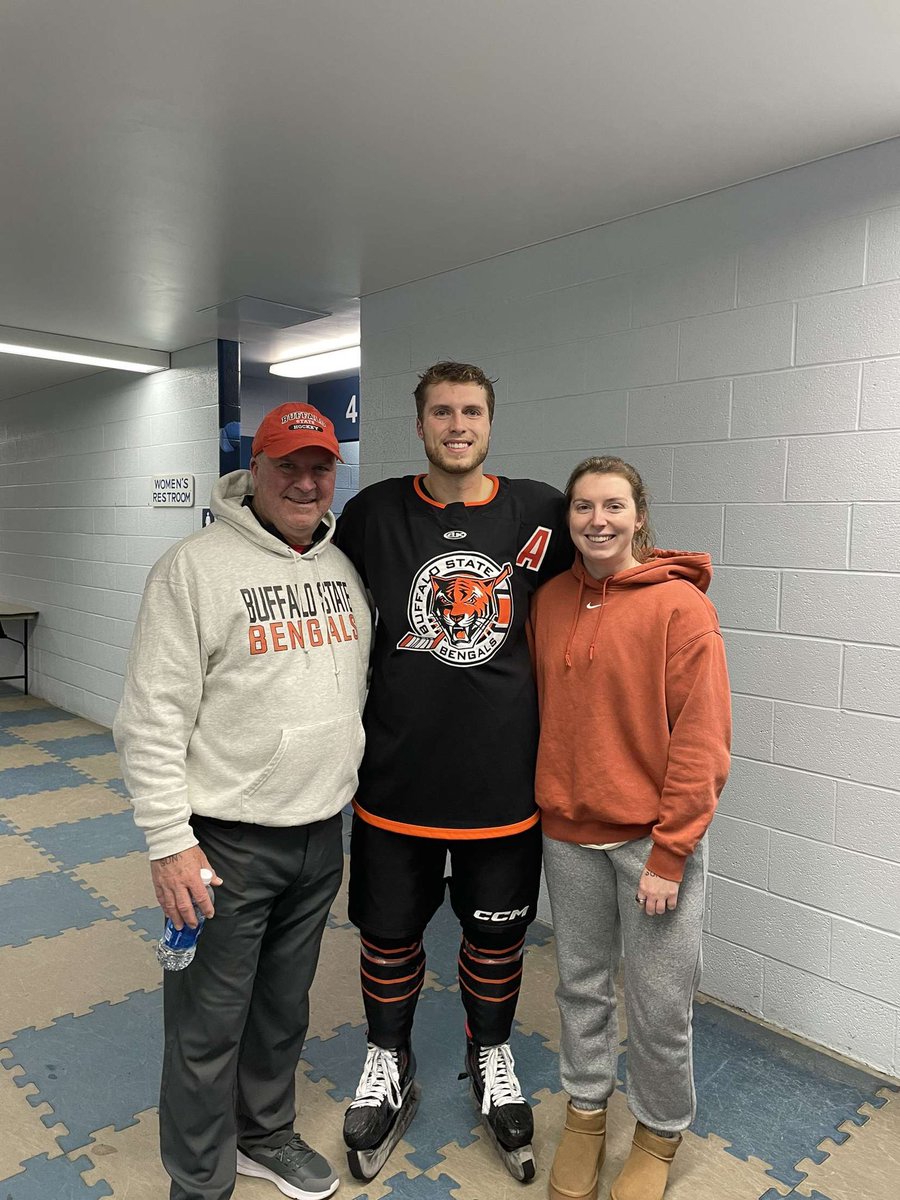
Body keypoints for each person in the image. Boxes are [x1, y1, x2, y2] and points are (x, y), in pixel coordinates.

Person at [114, 403, 372, 1200]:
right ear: (252, 471)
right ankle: (198, 1181)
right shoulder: (193, 569)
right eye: (286, 465)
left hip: (320, 832)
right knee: (206, 1026)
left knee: (283, 1008)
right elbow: (150, 717)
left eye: (319, 466)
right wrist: (167, 840)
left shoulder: (342, 567)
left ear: (335, 473)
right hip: (223, 844)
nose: (304, 481)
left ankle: (264, 1135)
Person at [334, 360, 572, 1183]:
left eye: (472, 411)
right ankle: (387, 1059)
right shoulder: (373, 513)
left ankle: (493, 1055)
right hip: (396, 779)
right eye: (442, 412)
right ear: (421, 424)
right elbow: (312, 585)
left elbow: (617, 557)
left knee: (496, 936)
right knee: (390, 934)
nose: (457, 425)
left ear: (491, 422)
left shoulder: (540, 508)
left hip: (502, 785)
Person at [529, 456, 731, 1200]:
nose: (597, 521)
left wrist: (672, 853)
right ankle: (586, 1113)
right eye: (583, 507)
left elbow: (702, 743)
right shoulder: (548, 600)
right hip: (568, 834)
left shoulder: (682, 608)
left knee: (659, 1000)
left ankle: (659, 1129)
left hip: (653, 843)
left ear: (639, 515)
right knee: (580, 987)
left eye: (613, 506)